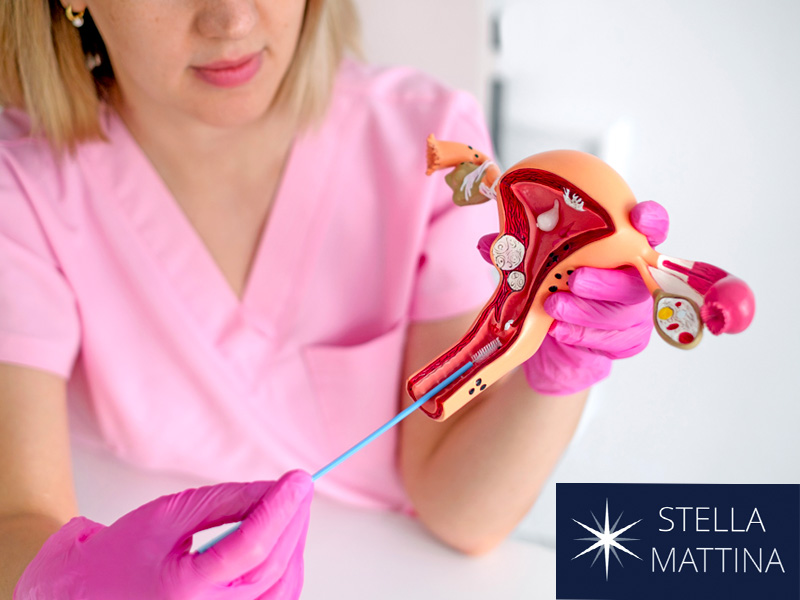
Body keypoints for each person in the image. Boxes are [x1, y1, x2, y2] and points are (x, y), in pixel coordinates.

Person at [0, 0, 668, 597]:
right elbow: (15, 515)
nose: (230, 19)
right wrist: (76, 583)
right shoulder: (23, 181)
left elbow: (465, 515)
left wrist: (564, 365)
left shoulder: (427, 146)